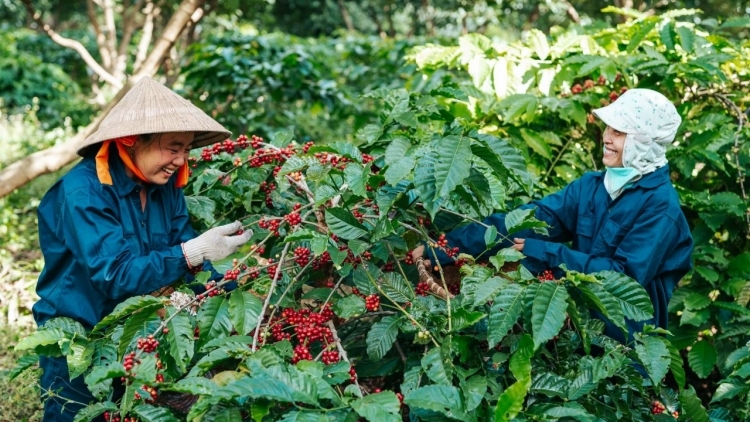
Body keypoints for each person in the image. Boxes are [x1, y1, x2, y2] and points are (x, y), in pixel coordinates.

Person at [32, 76, 253, 421]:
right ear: (131, 140)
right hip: (80, 335)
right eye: (173, 147)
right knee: (76, 415)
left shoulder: (165, 188)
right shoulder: (84, 192)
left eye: (186, 149)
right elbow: (117, 273)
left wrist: (237, 297)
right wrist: (193, 252)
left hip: (139, 331)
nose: (181, 160)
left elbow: (187, 258)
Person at [413, 88, 693, 344]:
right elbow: (529, 220)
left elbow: (623, 278)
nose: (606, 137)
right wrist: (443, 248)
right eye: (609, 127)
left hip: (626, 343)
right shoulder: (593, 187)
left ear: (643, 143)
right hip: (575, 327)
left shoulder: (661, 208)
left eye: (619, 132)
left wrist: (545, 253)